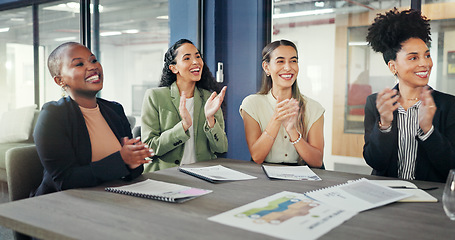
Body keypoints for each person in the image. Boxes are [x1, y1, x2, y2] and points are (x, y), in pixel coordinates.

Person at [32, 42, 154, 196]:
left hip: (113, 197)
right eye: (79, 64)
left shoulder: (115, 110)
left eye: (93, 60)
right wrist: (121, 160)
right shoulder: (52, 116)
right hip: (64, 204)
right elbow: (65, 180)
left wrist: (133, 161)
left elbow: (134, 170)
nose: (92, 67)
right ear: (60, 80)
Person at [363, 8, 455, 182]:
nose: (425, 64)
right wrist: (385, 124)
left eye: (427, 55)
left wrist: (428, 130)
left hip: (429, 199)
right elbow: (375, 161)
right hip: (386, 195)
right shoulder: (376, 102)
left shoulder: (449, 105)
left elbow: (451, 167)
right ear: (393, 66)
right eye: (413, 58)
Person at [141, 39, 228, 172]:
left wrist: (211, 120)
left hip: (202, 174)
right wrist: (183, 127)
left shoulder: (209, 98)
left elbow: (221, 148)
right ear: (174, 67)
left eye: (198, 56)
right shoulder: (155, 96)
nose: (195, 62)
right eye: (187, 58)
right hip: (166, 176)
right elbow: (149, 148)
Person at [239, 40, 325, 168]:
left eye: (293, 61)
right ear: (266, 67)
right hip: (264, 176)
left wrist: (292, 132)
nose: (288, 67)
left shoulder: (314, 108)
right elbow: (257, 157)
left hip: (303, 177)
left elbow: (317, 162)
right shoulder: (252, 104)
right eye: (280, 61)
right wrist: (276, 119)